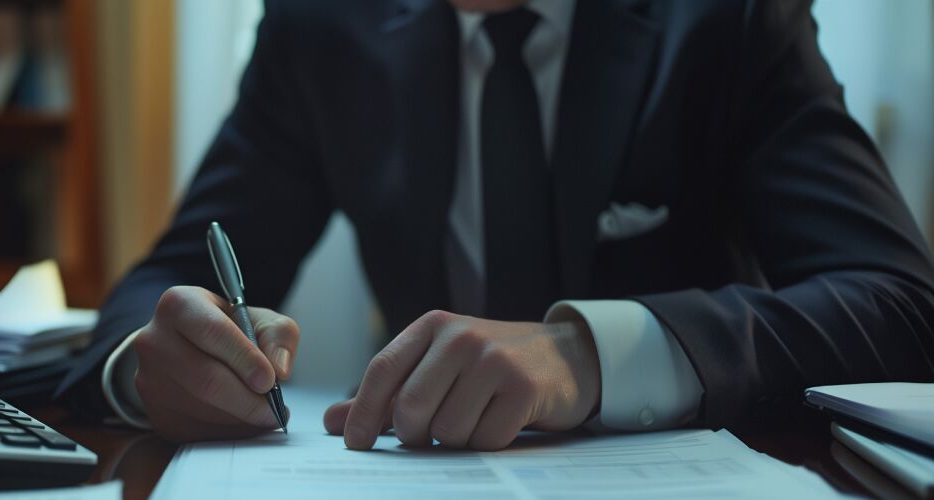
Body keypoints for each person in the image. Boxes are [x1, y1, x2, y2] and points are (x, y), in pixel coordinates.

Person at [55, 0, 934, 451]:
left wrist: (592, 355)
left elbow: (900, 308)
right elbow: (159, 286)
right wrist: (147, 366)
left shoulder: (724, 17)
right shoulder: (322, 26)